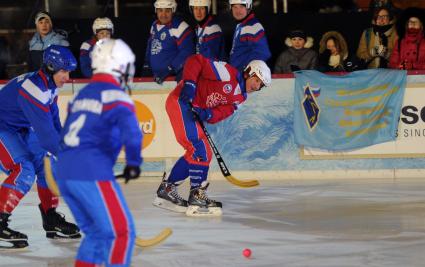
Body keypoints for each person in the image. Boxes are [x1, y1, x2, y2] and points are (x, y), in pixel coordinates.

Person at [56, 38, 142, 266]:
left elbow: (65, 134)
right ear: (120, 66)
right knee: (121, 233)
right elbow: (133, 133)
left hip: (64, 172)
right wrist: (133, 162)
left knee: (96, 234)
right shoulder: (117, 96)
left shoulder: (79, 96)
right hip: (91, 171)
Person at [153, 54, 271, 216]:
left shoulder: (241, 97)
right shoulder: (228, 73)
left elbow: (223, 112)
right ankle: (197, 195)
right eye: (257, 80)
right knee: (199, 148)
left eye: (261, 85)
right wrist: (189, 84)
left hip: (191, 110)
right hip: (180, 101)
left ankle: (167, 189)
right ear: (248, 72)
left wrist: (207, 114)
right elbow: (195, 61)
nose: (257, 87)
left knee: (204, 153)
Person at [0, 45, 80, 249]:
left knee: (48, 166)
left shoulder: (49, 86)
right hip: (3, 128)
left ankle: (50, 218)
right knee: (23, 170)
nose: (67, 76)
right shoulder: (35, 89)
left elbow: (54, 126)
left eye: (69, 71)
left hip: (19, 129)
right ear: (51, 67)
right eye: (63, 71)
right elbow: (46, 137)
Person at [143, 0, 194, 84]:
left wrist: (170, 69)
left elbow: (187, 52)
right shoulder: (154, 25)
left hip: (172, 78)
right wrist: (146, 65)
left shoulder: (180, 26)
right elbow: (150, 46)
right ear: (156, 11)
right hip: (155, 77)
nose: (163, 14)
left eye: (167, 11)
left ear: (173, 10)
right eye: (160, 10)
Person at [229, 0, 271, 71]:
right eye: (235, 7)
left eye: (241, 7)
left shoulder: (252, 27)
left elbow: (263, 53)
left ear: (248, 8)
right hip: (238, 73)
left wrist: (245, 70)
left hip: (245, 76)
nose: (237, 11)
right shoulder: (241, 25)